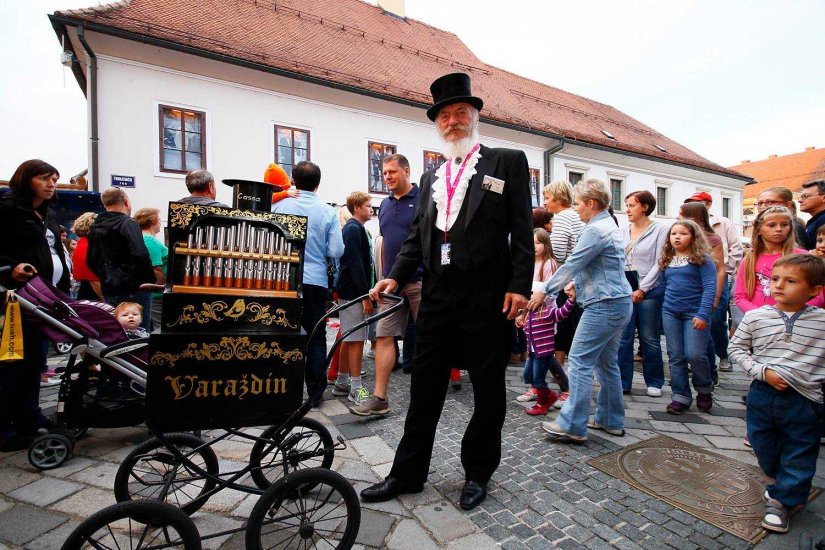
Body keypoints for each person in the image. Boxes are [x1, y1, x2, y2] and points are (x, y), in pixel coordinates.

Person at [361, 73, 533, 510]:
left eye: (460, 113)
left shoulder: (506, 161)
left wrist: (519, 285)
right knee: (424, 386)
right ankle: (408, 473)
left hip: (487, 295)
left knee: (488, 389)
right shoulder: (432, 174)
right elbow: (419, 237)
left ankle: (477, 473)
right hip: (437, 295)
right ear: (437, 124)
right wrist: (395, 276)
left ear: (474, 117)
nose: (452, 122)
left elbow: (522, 231)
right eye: (444, 116)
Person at [529, 178, 633, 444]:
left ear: (591, 203)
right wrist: (579, 285)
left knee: (579, 361)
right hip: (618, 301)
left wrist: (545, 291)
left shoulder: (594, 230)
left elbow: (572, 263)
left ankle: (573, 424)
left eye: (578, 204)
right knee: (607, 364)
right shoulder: (610, 225)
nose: (576, 209)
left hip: (604, 304)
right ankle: (611, 420)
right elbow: (601, 267)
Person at [728, 254, 825, 533]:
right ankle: (780, 481)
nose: (779, 286)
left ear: (813, 290)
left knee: (800, 450)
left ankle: (784, 500)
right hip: (763, 393)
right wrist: (760, 371)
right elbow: (736, 348)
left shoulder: (821, 321)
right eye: (775, 279)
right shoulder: (757, 316)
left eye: (791, 281)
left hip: (804, 398)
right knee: (762, 444)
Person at [0, 159, 70, 451]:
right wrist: (9, 269)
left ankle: (29, 416)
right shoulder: (8, 209)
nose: (51, 184)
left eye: (54, 178)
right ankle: (4, 427)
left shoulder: (47, 213)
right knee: (13, 363)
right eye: (44, 178)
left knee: (34, 362)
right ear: (27, 179)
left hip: (45, 297)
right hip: (15, 298)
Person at [351, 154, 424, 416]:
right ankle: (380, 398)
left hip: (419, 280)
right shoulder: (385, 205)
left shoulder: (423, 200)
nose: (387, 177)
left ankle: (427, 395)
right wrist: (381, 278)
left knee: (427, 339)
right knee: (383, 336)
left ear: (406, 171)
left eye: (392, 172)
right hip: (392, 284)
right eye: (384, 173)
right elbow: (386, 245)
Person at [273, 161, 344, 407]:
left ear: (293, 180)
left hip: (282, 279)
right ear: (318, 183)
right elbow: (336, 249)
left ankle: (283, 390)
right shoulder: (326, 211)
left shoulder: (279, 205)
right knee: (315, 336)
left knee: (284, 335)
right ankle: (315, 393)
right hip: (314, 280)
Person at [659, 220, 717, 415]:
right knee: (675, 355)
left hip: (695, 313)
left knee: (695, 354)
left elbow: (710, 287)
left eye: (683, 233)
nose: (677, 237)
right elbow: (663, 286)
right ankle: (680, 395)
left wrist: (703, 313)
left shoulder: (702, 259)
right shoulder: (667, 259)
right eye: (673, 233)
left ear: (693, 236)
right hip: (670, 312)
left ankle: (704, 388)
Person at [515, 229, 573, 415]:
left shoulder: (549, 264)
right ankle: (538, 386)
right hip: (530, 315)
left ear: (546, 245)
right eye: (532, 242)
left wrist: (535, 304)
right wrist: (523, 312)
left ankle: (562, 388)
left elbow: (550, 291)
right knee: (537, 353)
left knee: (545, 354)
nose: (534, 246)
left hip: (544, 315)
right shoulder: (529, 263)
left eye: (538, 243)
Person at [684, 191, 742, 373]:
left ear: (707, 204)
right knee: (698, 320)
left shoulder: (722, 223)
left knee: (716, 320)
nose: (693, 206)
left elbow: (736, 249)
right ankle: (701, 358)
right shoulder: (685, 226)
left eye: (697, 202)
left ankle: (723, 354)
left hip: (719, 277)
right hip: (693, 281)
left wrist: (726, 271)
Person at [617, 191, 669, 397]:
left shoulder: (660, 230)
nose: (628, 210)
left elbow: (660, 261)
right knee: (624, 337)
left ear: (645, 207)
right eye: (627, 205)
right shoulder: (623, 230)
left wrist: (643, 288)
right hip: (625, 287)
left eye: (632, 205)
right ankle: (623, 381)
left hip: (650, 288)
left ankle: (654, 381)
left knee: (649, 337)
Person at [87, 188, 156, 330]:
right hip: (133, 286)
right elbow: (140, 253)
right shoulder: (127, 223)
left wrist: (105, 276)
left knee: (117, 330)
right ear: (125, 201)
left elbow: (91, 259)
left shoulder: (95, 226)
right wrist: (149, 279)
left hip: (109, 286)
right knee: (139, 331)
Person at [733, 206, 823, 313]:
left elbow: (818, 295)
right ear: (759, 230)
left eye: (784, 225)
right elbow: (740, 296)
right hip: (760, 320)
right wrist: (759, 316)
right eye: (772, 225)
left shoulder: (803, 257)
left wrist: (793, 314)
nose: (779, 229)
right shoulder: (749, 259)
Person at [330, 192, 374, 405]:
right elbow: (356, 265)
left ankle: (341, 382)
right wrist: (365, 295)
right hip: (355, 293)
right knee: (356, 339)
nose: (371, 209)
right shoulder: (354, 230)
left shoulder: (353, 229)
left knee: (349, 337)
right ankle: (356, 388)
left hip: (349, 291)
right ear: (357, 208)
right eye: (368, 205)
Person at [679, 202, 727, 385]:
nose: (678, 218)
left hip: (705, 292)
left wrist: (716, 295)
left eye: (682, 214)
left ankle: (710, 370)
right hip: (685, 294)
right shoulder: (681, 238)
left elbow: (720, 269)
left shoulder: (713, 239)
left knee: (705, 334)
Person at [541, 180, 584, 367]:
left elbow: (557, 252)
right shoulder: (574, 215)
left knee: (563, 324)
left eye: (547, 197)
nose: (545, 202)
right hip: (576, 277)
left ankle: (558, 368)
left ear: (559, 198)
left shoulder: (562, 217)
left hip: (567, 279)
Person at [133, 207, 168, 331]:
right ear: (153, 221)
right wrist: (161, 288)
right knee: (160, 328)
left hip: (153, 293)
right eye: (159, 219)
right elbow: (156, 270)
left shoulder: (143, 239)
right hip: (157, 294)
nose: (160, 223)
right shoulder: (150, 241)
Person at [71, 212, 103, 301]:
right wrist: (105, 300)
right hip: (91, 291)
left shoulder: (83, 243)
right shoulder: (87, 246)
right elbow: (92, 279)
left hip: (87, 289)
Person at [799, 179, 825, 250]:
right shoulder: (816, 219)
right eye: (800, 197)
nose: (800, 200)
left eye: (805, 196)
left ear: (824, 198)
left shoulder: (823, 219)